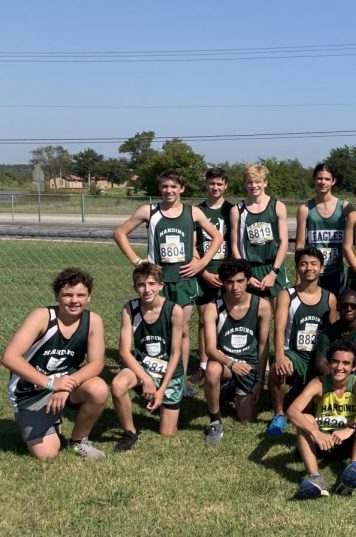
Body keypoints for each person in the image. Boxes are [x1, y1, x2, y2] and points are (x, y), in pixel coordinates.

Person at [114, 169, 223, 386]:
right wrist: (138, 262)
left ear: (181, 188)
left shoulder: (193, 213)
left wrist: (201, 263)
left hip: (183, 281)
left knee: (182, 330)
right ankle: (155, 373)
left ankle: (178, 380)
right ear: (160, 188)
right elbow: (119, 233)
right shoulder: (149, 211)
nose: (169, 191)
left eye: (174, 187)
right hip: (157, 282)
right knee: (158, 328)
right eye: (165, 186)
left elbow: (218, 237)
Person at [2, 268, 107, 460]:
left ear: (89, 297)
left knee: (98, 388)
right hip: (29, 392)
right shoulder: (42, 317)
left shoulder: (93, 321)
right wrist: (51, 384)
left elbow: (97, 363)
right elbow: (9, 357)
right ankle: (40, 420)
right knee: (47, 454)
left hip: (64, 385)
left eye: (81, 295)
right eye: (67, 295)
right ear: (57, 296)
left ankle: (77, 441)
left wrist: (67, 384)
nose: (75, 300)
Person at [287, 340, 356, 499]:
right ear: (329, 363)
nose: (339, 367)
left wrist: (350, 429)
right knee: (305, 418)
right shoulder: (318, 383)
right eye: (335, 362)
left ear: (353, 367)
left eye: (346, 363)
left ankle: (353, 470)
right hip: (321, 443)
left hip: (348, 441)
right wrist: (315, 433)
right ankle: (315, 478)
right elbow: (292, 411)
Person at [111, 263, 185, 451]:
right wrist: (146, 379)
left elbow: (176, 353)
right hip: (143, 368)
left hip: (168, 372)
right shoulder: (130, 309)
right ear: (135, 287)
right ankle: (129, 432)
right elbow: (124, 351)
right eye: (141, 285)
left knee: (167, 433)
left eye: (152, 284)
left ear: (161, 285)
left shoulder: (175, 310)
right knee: (118, 385)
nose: (147, 289)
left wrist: (161, 389)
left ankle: (162, 400)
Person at [268, 247, 338, 436]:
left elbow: (332, 334)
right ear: (297, 268)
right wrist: (280, 355)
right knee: (276, 368)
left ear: (321, 268)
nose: (309, 268)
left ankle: (303, 390)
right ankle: (279, 413)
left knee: (316, 413)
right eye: (304, 264)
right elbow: (279, 329)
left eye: (314, 264)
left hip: (318, 357)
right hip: (295, 354)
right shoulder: (286, 295)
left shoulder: (329, 298)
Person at [202, 259, 271, 444]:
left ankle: (230, 389)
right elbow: (209, 348)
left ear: (248, 280)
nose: (235, 287)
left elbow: (263, 345)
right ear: (223, 282)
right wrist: (232, 364)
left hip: (248, 364)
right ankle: (215, 421)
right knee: (212, 370)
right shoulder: (212, 307)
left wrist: (260, 381)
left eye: (240, 281)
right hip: (225, 362)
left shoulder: (262, 305)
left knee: (247, 420)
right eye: (230, 282)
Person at [192, 167, 233, 384]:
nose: (215, 187)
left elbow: (237, 243)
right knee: (203, 320)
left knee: (227, 319)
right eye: (211, 183)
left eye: (219, 184)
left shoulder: (232, 210)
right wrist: (203, 270)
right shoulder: (196, 211)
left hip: (227, 273)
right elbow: (192, 245)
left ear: (225, 185)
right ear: (206, 184)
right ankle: (203, 365)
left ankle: (227, 362)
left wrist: (229, 274)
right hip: (204, 272)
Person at [230, 164, 289, 299]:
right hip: (249, 269)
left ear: (265, 183)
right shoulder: (237, 210)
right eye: (250, 182)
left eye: (258, 182)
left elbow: (284, 243)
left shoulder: (278, 206)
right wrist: (246, 274)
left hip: (273, 267)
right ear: (244, 184)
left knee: (281, 315)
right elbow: (235, 245)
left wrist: (274, 272)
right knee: (252, 316)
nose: (254, 185)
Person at [295, 163, 355, 295]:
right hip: (312, 271)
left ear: (333, 181)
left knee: (333, 310)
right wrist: (298, 275)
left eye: (327, 179)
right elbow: (299, 244)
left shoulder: (345, 207)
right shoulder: (305, 209)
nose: (323, 182)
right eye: (319, 178)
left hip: (336, 271)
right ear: (314, 180)